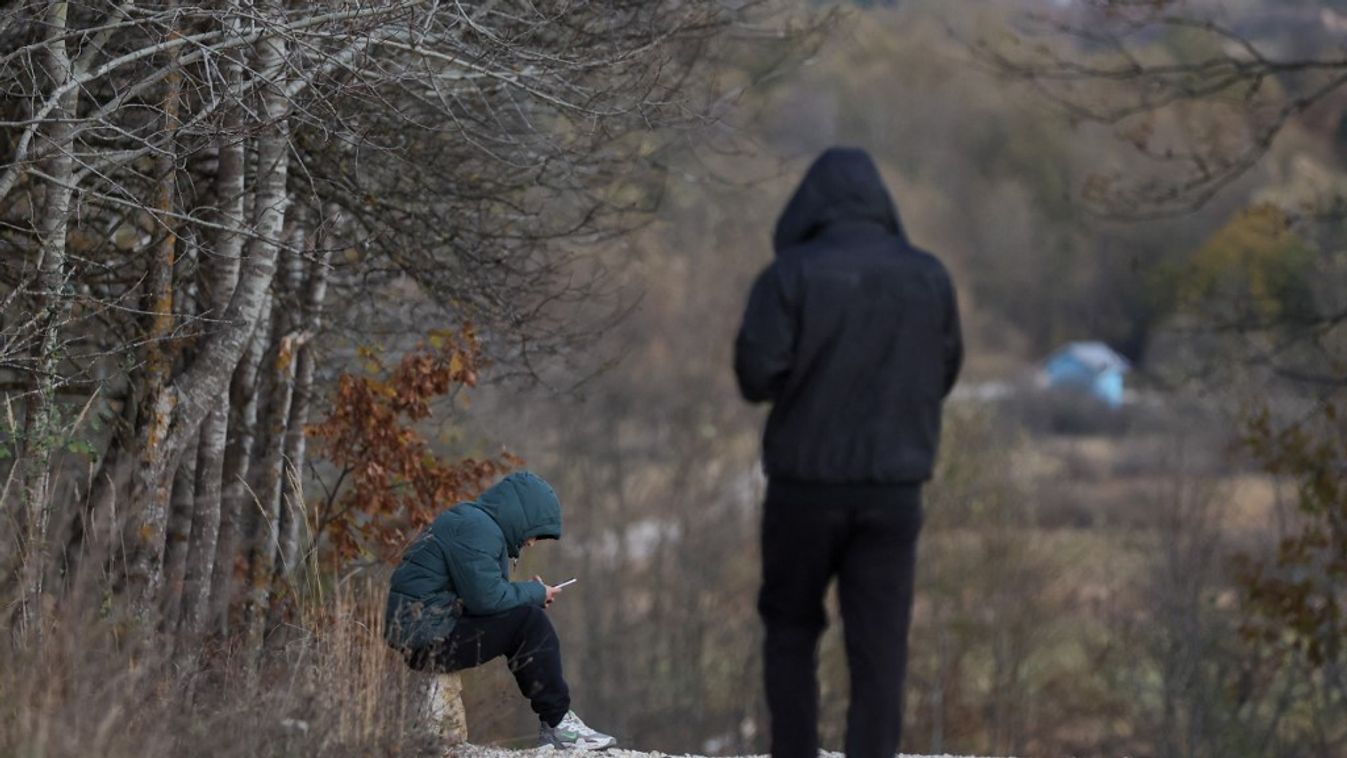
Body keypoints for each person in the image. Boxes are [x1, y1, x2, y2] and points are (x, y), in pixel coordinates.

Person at [734, 147, 963, 758]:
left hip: (803, 490)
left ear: (809, 206)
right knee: (880, 648)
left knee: (789, 631)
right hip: (893, 493)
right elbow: (944, 370)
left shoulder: (788, 277)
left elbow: (755, 375)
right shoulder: (929, 277)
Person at [384, 471, 616, 750]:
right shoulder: (477, 529)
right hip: (427, 640)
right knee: (530, 623)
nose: (530, 543)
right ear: (523, 518)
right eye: (534, 535)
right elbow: (486, 600)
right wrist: (534, 594)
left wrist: (529, 595)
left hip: (427, 630)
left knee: (523, 616)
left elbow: (481, 598)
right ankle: (558, 724)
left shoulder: (474, 522)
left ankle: (557, 723)